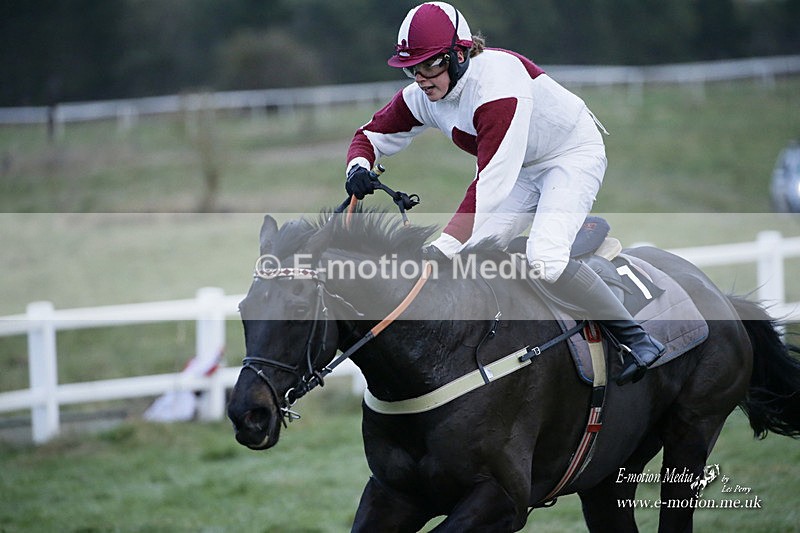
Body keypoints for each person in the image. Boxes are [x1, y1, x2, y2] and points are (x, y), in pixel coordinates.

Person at [343, 1, 663, 385]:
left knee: (544, 259)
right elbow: (369, 135)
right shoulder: (422, 95)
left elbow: (492, 183)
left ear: (459, 54)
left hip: (569, 156)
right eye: (412, 68)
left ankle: (636, 338)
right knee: (466, 258)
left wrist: (442, 245)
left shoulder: (497, 87)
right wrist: (358, 167)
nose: (421, 78)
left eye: (430, 65)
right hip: (520, 170)